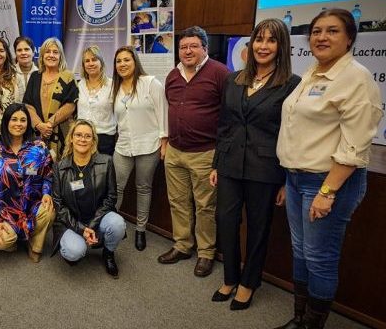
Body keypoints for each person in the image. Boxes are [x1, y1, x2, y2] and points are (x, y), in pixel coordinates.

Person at [274, 9, 382, 329]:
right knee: (301, 252)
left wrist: (327, 191)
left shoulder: (356, 78)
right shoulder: (313, 72)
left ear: (349, 38)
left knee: (320, 258)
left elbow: (355, 144)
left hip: (327, 181)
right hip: (296, 178)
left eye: (332, 31)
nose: (322, 37)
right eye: (317, 31)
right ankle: (299, 319)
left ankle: (312, 325)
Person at [208, 19, 301, 310]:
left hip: (266, 170)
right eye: (258, 39)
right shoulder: (233, 79)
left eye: (271, 41)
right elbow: (224, 125)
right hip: (229, 165)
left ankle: (248, 283)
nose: (263, 46)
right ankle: (230, 277)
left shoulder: (292, 84)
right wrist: (216, 163)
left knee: (259, 229)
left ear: (281, 46)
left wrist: (286, 179)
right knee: (226, 222)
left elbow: (292, 134)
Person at [157, 26, 229, 277]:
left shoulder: (220, 73)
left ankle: (206, 253)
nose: (187, 51)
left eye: (193, 46)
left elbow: (229, 116)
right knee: (177, 202)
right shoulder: (172, 76)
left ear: (204, 48)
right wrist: (165, 142)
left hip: (205, 153)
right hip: (175, 151)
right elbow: (169, 109)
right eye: (183, 47)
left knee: (205, 206)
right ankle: (183, 245)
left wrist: (220, 157)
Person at [51, 120, 126, 278]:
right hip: (71, 222)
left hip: (98, 218)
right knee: (74, 252)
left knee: (118, 224)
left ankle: (108, 252)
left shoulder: (106, 162)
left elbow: (111, 197)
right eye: (78, 135)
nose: (82, 139)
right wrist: (80, 229)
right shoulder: (60, 167)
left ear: (93, 141)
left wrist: (91, 225)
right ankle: (81, 244)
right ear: (71, 138)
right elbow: (59, 205)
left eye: (87, 136)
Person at [0, 103, 56, 262]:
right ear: (6, 122)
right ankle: (14, 238)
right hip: (7, 213)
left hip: (32, 209)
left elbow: (47, 174)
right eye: (14, 119)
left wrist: (46, 193)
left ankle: (35, 244)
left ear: (28, 124)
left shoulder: (38, 148)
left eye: (23, 120)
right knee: (0, 242)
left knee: (49, 210)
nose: (18, 124)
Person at [112, 46, 167, 251]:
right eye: (119, 61)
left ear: (135, 62)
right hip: (124, 145)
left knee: (143, 188)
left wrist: (164, 142)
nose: (123, 64)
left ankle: (141, 230)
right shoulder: (115, 88)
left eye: (127, 60)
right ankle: (111, 225)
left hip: (149, 145)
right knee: (116, 188)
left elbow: (163, 113)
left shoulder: (150, 83)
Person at [23, 37, 78, 160]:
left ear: (61, 56)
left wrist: (49, 124)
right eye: (47, 52)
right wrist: (39, 125)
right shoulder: (35, 76)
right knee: (38, 170)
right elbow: (28, 104)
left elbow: (71, 105)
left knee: (61, 171)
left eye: (55, 52)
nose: (51, 55)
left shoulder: (68, 76)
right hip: (37, 135)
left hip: (63, 135)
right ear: (42, 55)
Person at [76, 45, 116, 155]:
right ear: (83, 65)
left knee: (102, 172)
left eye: (94, 59)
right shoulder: (79, 85)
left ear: (101, 62)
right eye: (87, 61)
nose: (91, 63)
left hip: (105, 140)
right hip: (81, 139)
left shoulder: (112, 85)